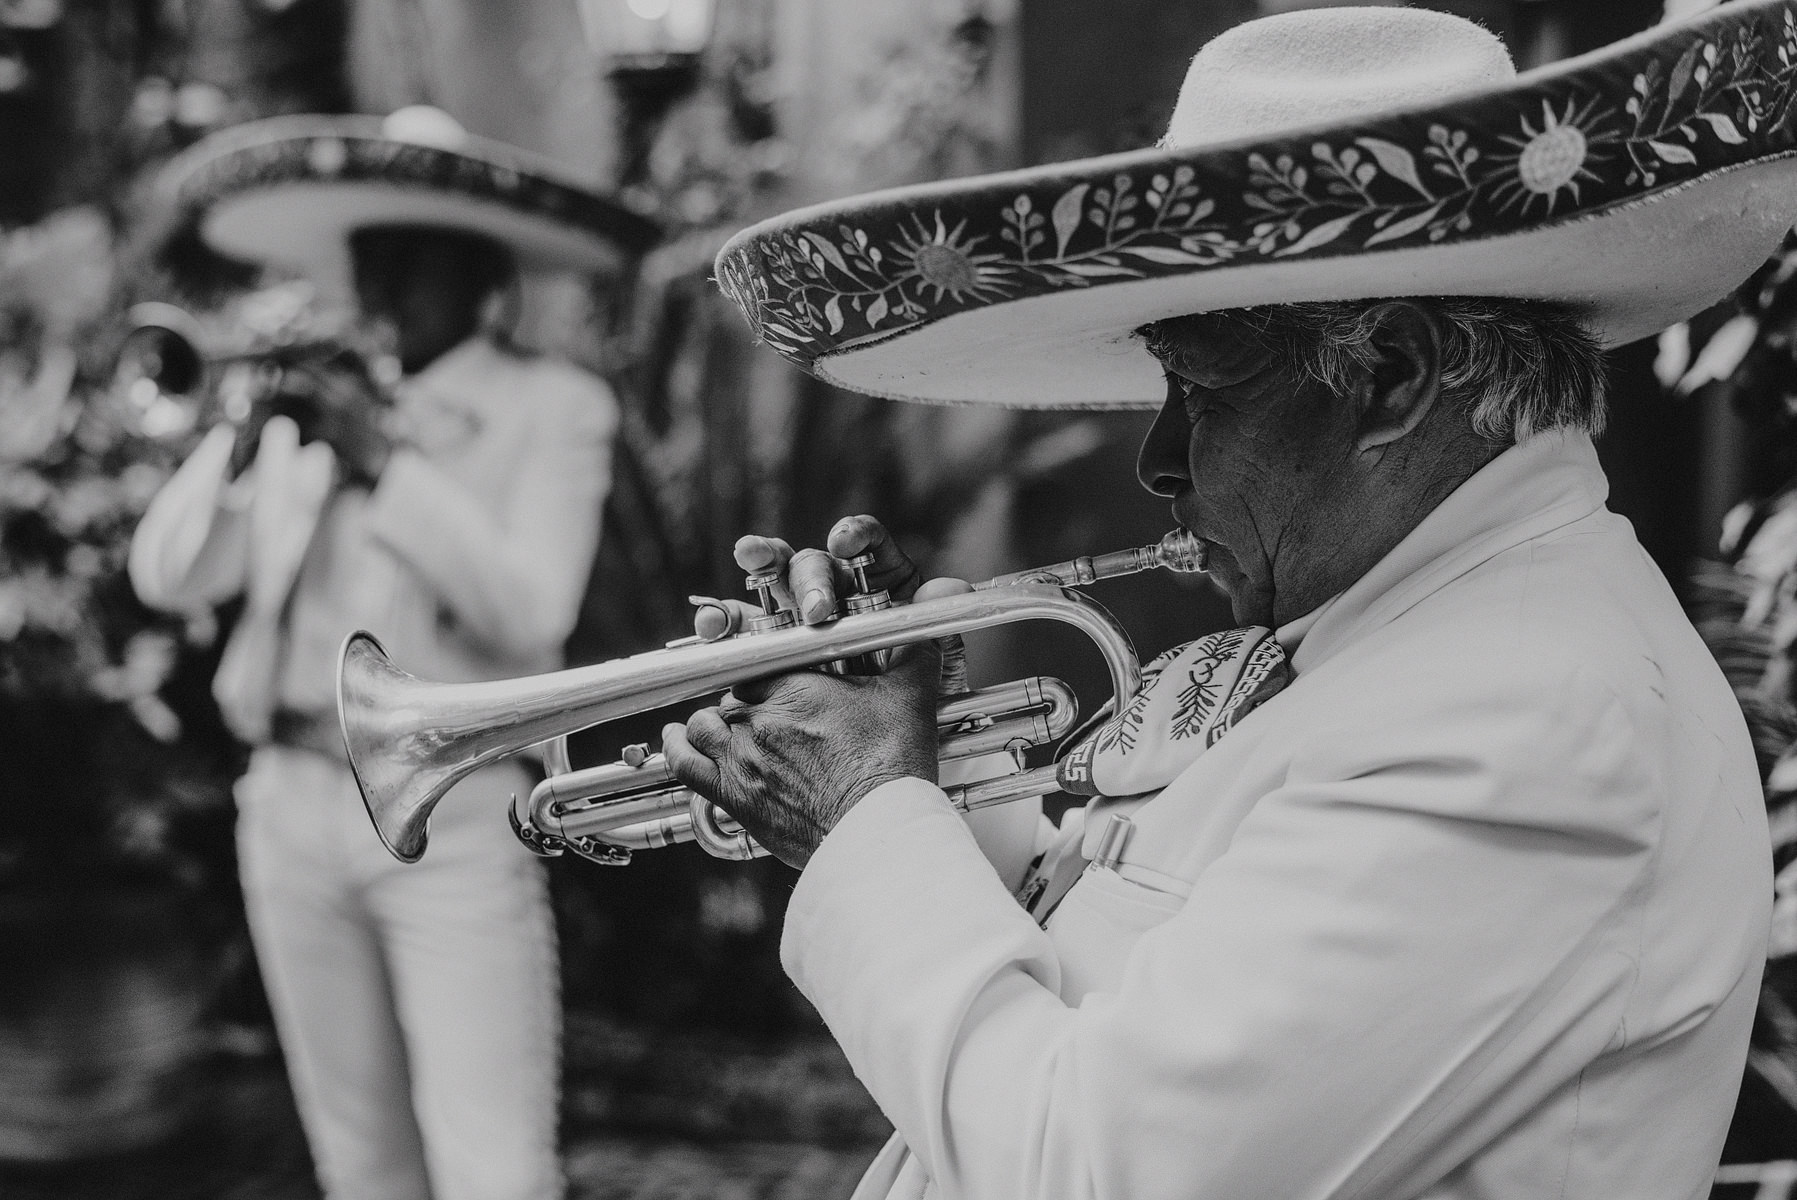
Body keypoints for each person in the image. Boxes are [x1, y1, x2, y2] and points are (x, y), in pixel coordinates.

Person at [669, 5, 1797, 1197]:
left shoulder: (1524, 712)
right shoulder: (1421, 638)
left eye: (1202, 392)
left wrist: (862, 814)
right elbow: (1143, 982)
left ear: (1395, 381)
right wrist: (928, 769)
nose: (1159, 459)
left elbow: (1099, 1169)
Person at [129, 108, 657, 1200]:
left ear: (480, 277)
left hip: (450, 822)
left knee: (495, 1167)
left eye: (413, 260)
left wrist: (386, 468)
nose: (380, 289)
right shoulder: (299, 415)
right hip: (284, 807)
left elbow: (533, 613)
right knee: (357, 1159)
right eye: (368, 260)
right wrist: (233, 442)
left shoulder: (551, 407)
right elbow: (170, 578)